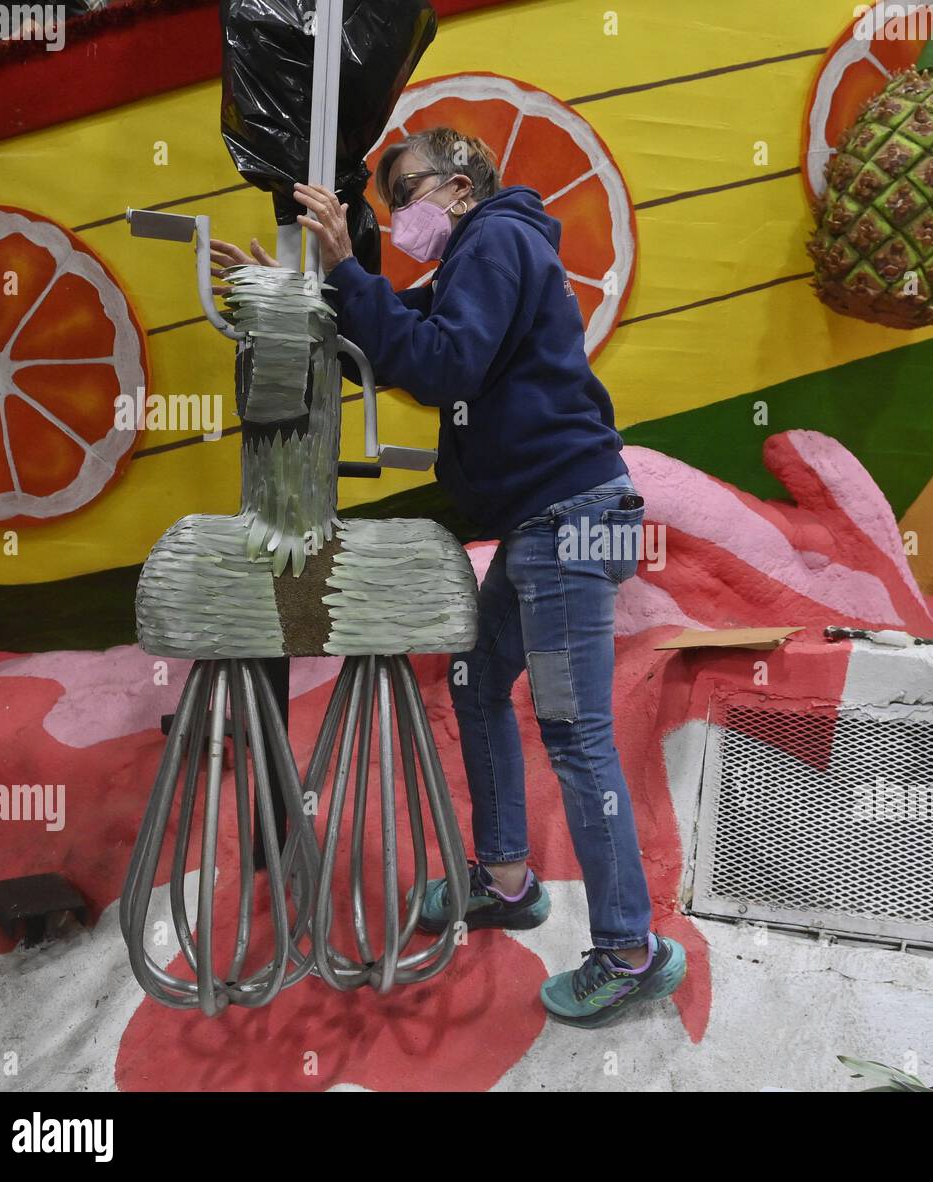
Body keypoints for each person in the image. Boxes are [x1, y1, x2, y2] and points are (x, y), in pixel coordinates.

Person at [211, 127, 684, 1028]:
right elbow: (401, 333)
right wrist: (280, 286)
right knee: (473, 680)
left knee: (576, 733)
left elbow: (440, 362)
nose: (399, 217)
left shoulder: (497, 241)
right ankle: (505, 877)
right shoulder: (482, 251)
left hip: (566, 523)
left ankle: (628, 949)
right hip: (541, 525)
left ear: (459, 188)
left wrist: (349, 261)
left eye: (405, 196)